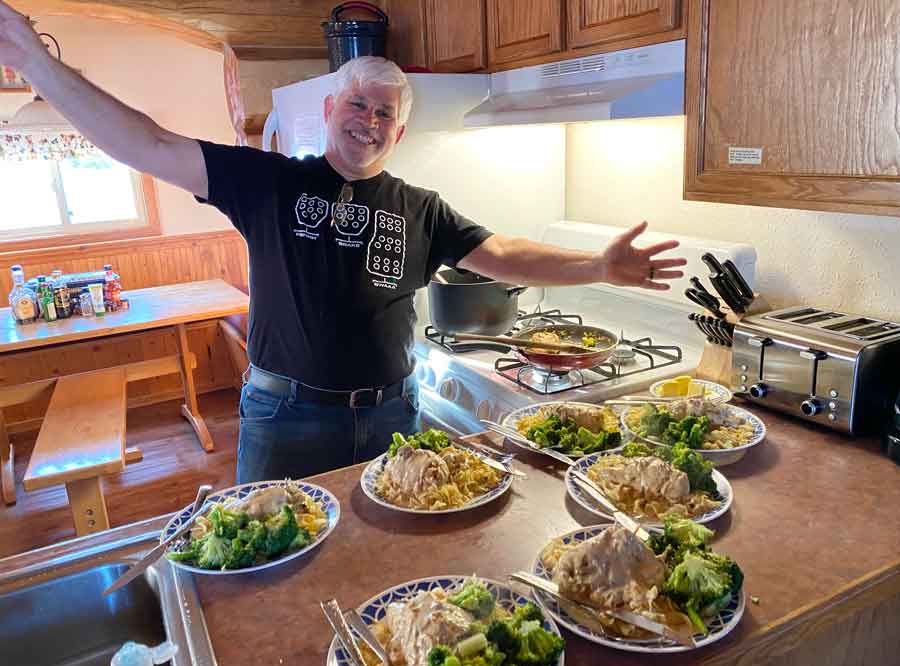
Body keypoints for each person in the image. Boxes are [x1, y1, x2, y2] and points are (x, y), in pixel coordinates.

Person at [0, 4, 686, 483]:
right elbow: (147, 142)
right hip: (285, 417)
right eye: (357, 103)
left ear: (399, 133)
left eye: (385, 113)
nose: (369, 119)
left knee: (383, 570)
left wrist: (597, 263)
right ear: (329, 110)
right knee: (267, 574)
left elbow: (502, 254)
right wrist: (35, 61)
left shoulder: (421, 208)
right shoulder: (267, 183)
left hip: (393, 412)